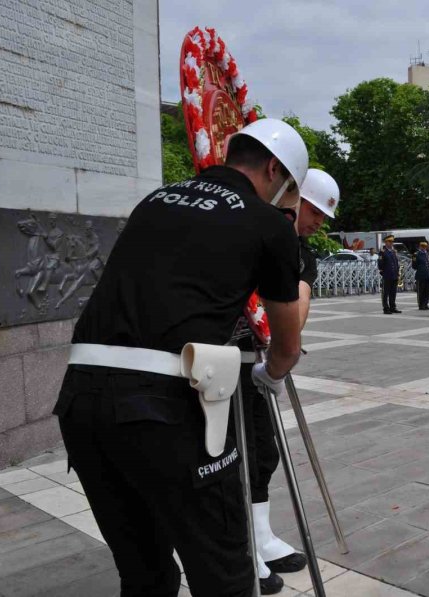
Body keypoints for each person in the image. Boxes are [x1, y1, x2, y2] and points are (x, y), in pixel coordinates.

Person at [54, 119, 309, 597]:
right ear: (274, 170)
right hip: (166, 410)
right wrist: (269, 374)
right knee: (225, 573)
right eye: (289, 190)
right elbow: (287, 343)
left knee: (146, 573)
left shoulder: (156, 200)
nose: (286, 202)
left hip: (81, 403)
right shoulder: (269, 224)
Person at [240, 168, 338, 592]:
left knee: (262, 452)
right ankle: (241, 544)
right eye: (314, 211)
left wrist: (281, 353)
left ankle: (260, 536)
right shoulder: (255, 230)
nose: (318, 223)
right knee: (233, 456)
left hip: (260, 357)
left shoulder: (303, 254)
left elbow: (294, 318)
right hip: (224, 357)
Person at [378, 235, 400, 314]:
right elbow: (380, 264)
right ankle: (386, 308)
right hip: (387, 275)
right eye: (389, 242)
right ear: (386, 242)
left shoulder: (394, 252)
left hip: (394, 275)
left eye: (392, 242)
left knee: (393, 293)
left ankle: (392, 307)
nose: (391, 243)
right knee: (385, 293)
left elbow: (396, 263)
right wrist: (383, 273)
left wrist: (397, 273)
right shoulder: (383, 252)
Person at [414, 241, 429, 310]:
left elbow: (427, 263)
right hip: (421, 275)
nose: (424, 248)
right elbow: (414, 265)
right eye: (423, 246)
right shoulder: (417, 254)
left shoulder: (426, 253)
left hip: (427, 275)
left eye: (425, 246)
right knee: (421, 291)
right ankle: (421, 305)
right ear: (420, 246)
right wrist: (421, 268)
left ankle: (426, 304)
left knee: (427, 291)